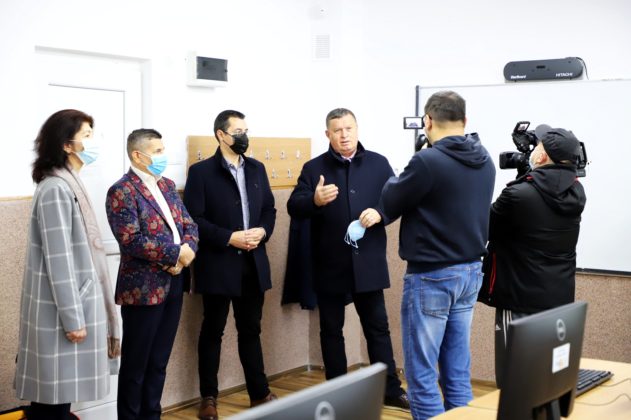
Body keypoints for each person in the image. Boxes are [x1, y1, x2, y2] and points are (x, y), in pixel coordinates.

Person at [380, 91, 496, 419]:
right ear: (465, 120)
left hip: (432, 276)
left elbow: (390, 200)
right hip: (470, 273)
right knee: (457, 372)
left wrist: (413, 161)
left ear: (428, 121)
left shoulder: (427, 161)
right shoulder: (485, 159)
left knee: (422, 375)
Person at [286, 108, 410, 410]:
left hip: (368, 262)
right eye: (338, 130)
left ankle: (390, 389)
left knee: (377, 329)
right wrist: (314, 200)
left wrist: (380, 214)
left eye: (349, 129)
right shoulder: (314, 167)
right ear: (327, 134)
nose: (344, 135)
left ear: (357, 129)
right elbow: (294, 206)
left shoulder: (379, 163)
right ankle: (337, 391)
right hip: (329, 263)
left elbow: (396, 200)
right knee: (331, 331)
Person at [15, 109, 121, 420]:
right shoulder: (55, 188)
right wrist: (73, 319)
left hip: (68, 306)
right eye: (87, 135)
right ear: (66, 145)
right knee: (52, 399)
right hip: (60, 312)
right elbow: (58, 259)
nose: (94, 141)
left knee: (58, 397)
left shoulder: (69, 182)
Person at [184, 110, 277, 420]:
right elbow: (194, 220)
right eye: (238, 131)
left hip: (253, 263)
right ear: (221, 135)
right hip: (218, 264)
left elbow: (269, 210)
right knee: (213, 331)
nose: (244, 136)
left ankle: (259, 393)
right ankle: (209, 398)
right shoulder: (201, 172)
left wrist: (263, 231)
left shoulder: (257, 168)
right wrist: (229, 238)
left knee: (251, 330)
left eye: (246, 130)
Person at [478, 125, 586, 387]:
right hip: (557, 300)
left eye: (537, 146)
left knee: (512, 379)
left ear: (542, 156)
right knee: (543, 379)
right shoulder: (577, 192)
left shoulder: (518, 194)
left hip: (519, 300)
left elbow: (483, 228)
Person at [106, 129, 198, 420]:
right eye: (157, 151)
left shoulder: (167, 185)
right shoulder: (122, 190)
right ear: (138, 155)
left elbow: (189, 225)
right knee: (136, 365)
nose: (163, 156)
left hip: (175, 281)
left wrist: (187, 253)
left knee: (159, 362)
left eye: (162, 150)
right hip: (143, 289)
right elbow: (130, 240)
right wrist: (174, 255)